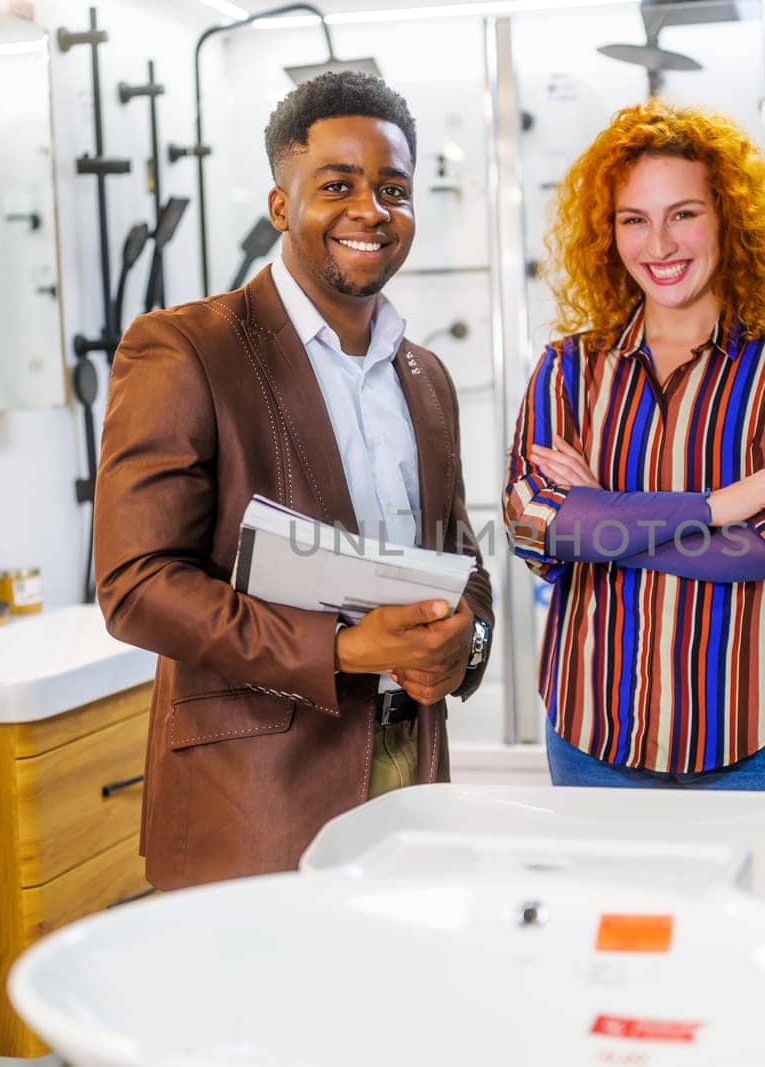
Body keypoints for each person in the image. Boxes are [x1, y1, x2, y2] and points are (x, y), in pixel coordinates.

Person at [96, 71, 494, 890]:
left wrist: (466, 644)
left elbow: (461, 560)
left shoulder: (426, 377)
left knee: (394, 1005)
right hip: (257, 796)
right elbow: (135, 585)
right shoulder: (185, 349)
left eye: (393, 188)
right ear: (282, 206)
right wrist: (343, 649)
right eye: (337, 185)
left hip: (407, 767)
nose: (370, 211)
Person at [503, 100, 765, 791]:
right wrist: (722, 503)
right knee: (609, 906)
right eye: (635, 219)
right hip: (593, 731)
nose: (659, 245)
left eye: (683, 214)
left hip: (755, 733)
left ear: (728, 217)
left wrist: (604, 517)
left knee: (761, 905)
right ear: (610, 233)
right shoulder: (568, 369)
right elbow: (534, 525)